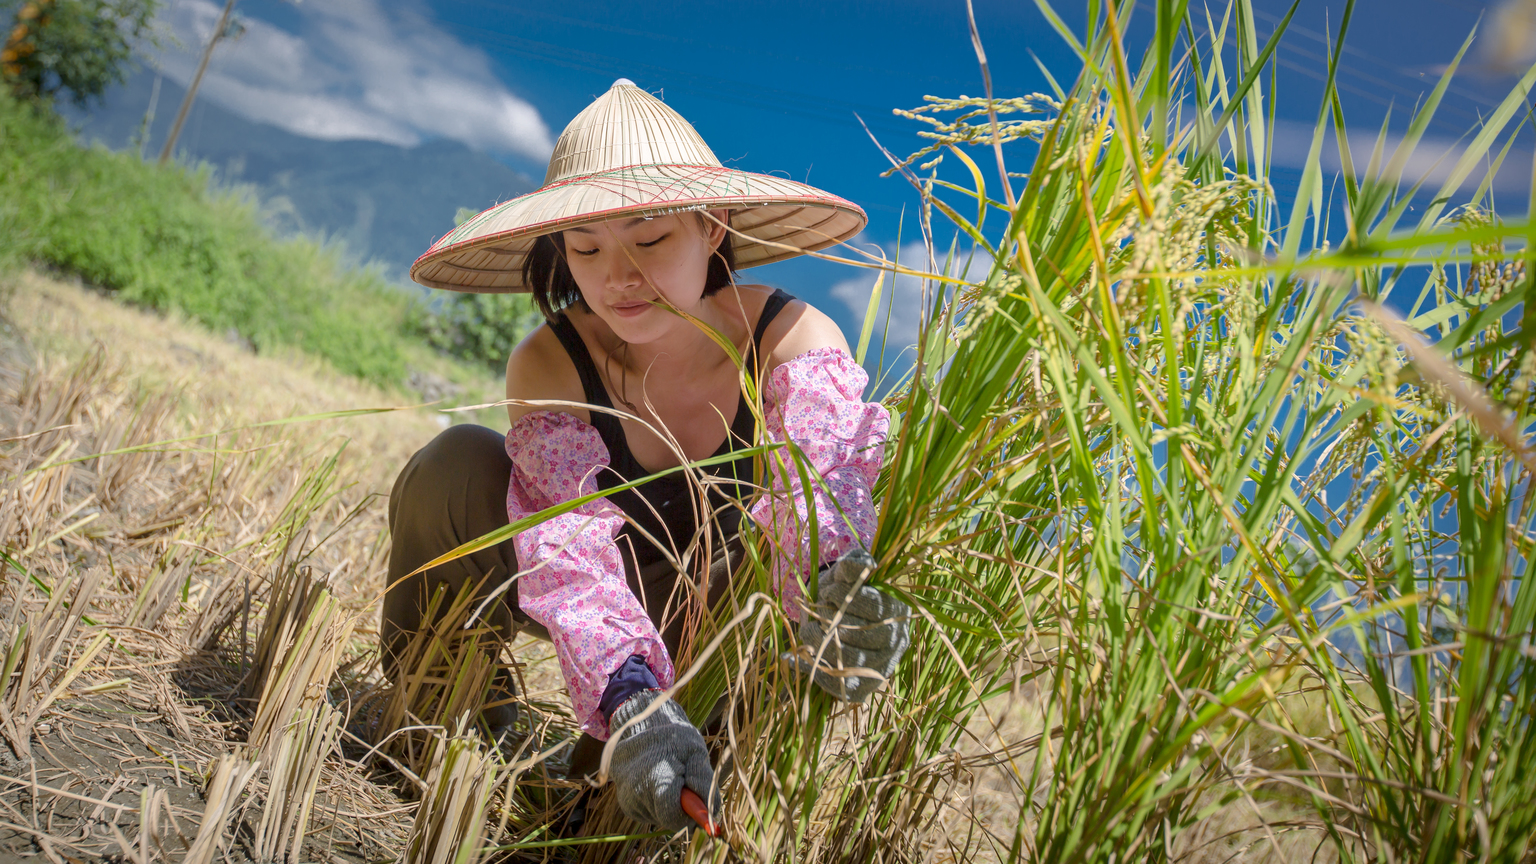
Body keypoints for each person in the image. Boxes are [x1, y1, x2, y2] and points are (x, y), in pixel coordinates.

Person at [384, 79, 911, 834]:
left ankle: (660, 775)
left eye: (652, 239)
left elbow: (819, 496)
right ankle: (442, 722)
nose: (618, 277)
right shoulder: (551, 363)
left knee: (619, 816)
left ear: (714, 226)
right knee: (454, 465)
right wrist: (631, 698)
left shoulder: (791, 341)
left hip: (721, 614)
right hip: (594, 594)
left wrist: (835, 593)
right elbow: (567, 555)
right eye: (587, 248)